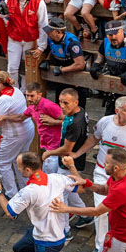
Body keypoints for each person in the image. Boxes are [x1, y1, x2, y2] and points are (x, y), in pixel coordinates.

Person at [71, 96, 126, 252]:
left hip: (125, 175)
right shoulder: (105, 122)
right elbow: (94, 139)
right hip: (102, 171)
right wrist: (77, 153)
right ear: (117, 110)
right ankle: (100, 246)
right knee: (102, 210)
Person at [41, 89, 89, 224]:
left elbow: (67, 149)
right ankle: (86, 216)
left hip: (69, 162)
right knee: (71, 191)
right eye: (60, 102)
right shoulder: (78, 111)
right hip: (69, 160)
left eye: (66, 103)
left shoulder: (75, 124)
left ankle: (64, 228)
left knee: (60, 194)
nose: (62, 106)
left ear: (76, 102)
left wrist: (49, 153)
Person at [0, 82, 63, 173]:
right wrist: (5, 117)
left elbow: (70, 120)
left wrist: (54, 122)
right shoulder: (32, 107)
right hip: (47, 147)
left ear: (39, 95)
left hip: (56, 148)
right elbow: (21, 117)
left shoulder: (49, 106)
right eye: (27, 95)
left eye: (32, 96)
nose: (29, 99)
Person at [0, 71, 35, 198]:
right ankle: (26, 190)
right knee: (19, 161)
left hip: (14, 134)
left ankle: (12, 194)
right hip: (27, 129)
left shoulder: (3, 99)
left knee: (3, 162)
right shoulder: (16, 90)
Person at [91, 21, 126, 116]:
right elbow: (100, 55)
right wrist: (96, 64)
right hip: (115, 87)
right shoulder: (106, 42)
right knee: (109, 118)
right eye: (110, 35)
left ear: (122, 31)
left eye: (116, 34)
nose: (113, 37)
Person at [3, 0, 48, 88]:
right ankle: (15, 91)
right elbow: (1, 14)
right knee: (12, 68)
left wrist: (41, 47)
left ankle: (24, 91)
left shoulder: (38, 1)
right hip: (14, 38)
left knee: (26, 69)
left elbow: (43, 24)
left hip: (30, 39)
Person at [40, 17, 87, 107]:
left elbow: (80, 64)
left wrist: (63, 69)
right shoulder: (51, 39)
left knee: (75, 104)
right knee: (60, 102)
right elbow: (53, 49)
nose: (48, 33)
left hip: (74, 72)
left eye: (51, 31)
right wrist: (47, 60)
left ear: (59, 32)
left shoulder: (72, 42)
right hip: (61, 74)